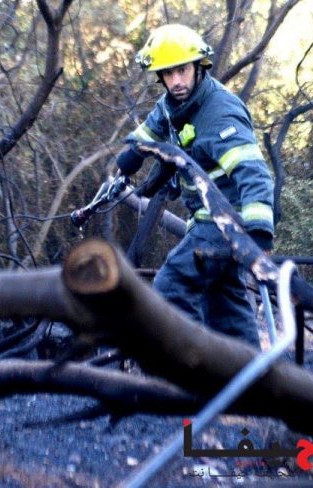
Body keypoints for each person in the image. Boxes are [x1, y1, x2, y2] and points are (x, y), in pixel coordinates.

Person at [116, 24, 275, 347]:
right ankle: (249, 374)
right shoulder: (173, 105)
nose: (176, 81)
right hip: (205, 222)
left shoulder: (220, 113)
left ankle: (192, 366)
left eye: (182, 70)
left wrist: (258, 233)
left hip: (225, 222)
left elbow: (253, 172)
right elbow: (150, 131)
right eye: (168, 73)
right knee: (225, 309)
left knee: (171, 288)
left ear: (199, 66)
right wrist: (130, 155)